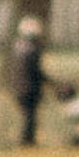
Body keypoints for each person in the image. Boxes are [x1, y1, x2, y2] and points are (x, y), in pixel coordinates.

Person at [7, 10, 53, 147]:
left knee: (28, 116)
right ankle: (27, 142)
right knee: (30, 117)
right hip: (29, 88)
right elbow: (36, 71)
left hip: (19, 87)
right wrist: (50, 82)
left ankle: (27, 141)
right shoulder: (32, 50)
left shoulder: (18, 48)